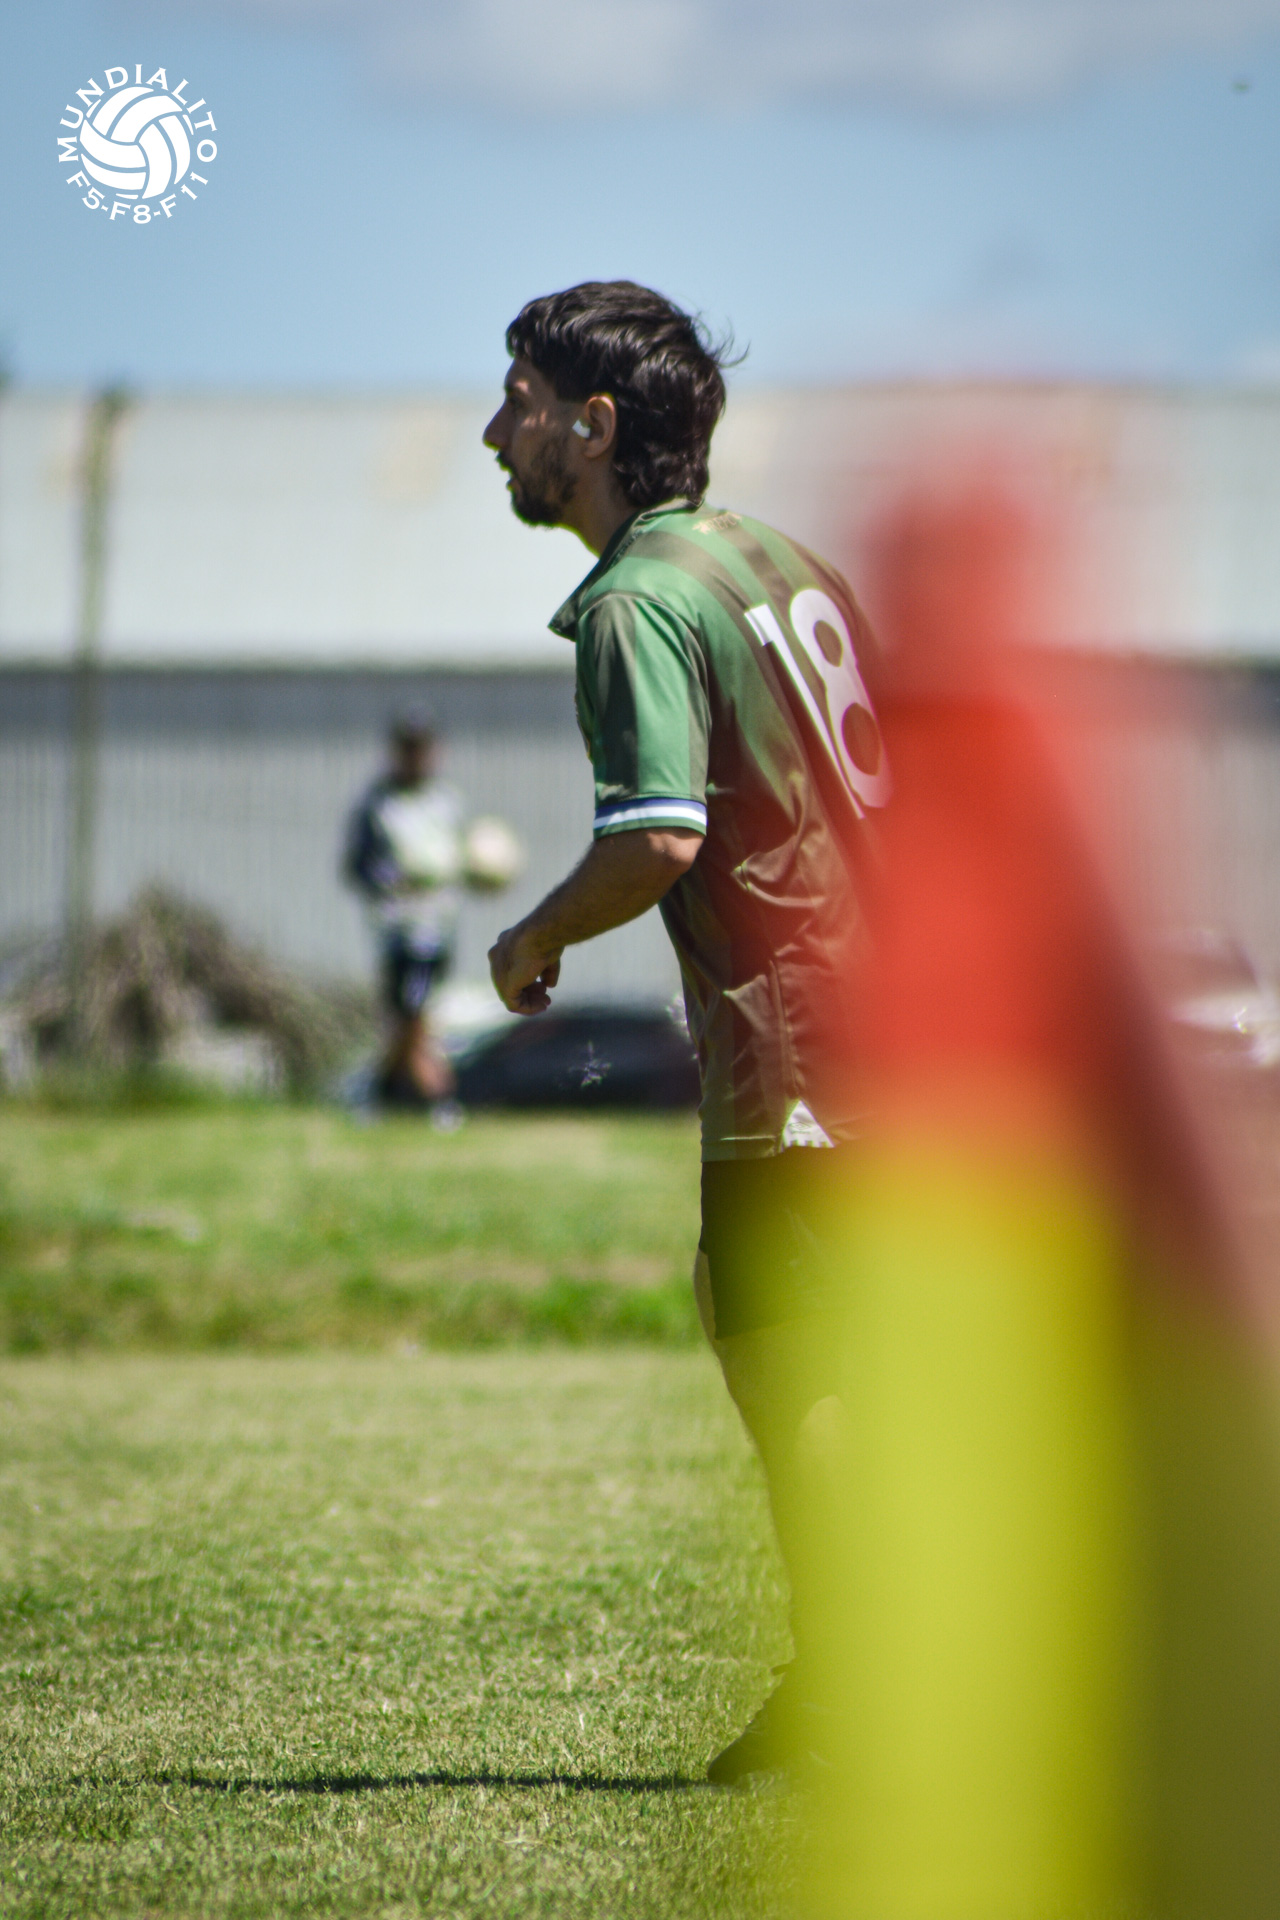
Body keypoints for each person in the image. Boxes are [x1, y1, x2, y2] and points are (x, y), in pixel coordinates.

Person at [483, 281, 889, 1782]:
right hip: (898, 1015)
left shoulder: (637, 601)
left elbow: (657, 838)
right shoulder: (783, 560)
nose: (494, 433)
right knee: (768, 1313)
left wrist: (532, 937)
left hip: (807, 1044)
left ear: (592, 426)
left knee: (790, 1353)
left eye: (518, 401)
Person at [343, 709, 465, 1112]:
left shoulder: (447, 801)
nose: (415, 756)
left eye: (421, 747)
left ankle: (374, 1097)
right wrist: (393, 880)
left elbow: (460, 858)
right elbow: (358, 866)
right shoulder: (379, 804)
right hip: (400, 930)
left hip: (440, 927)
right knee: (413, 1016)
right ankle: (439, 1100)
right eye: (408, 748)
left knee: (413, 1019)